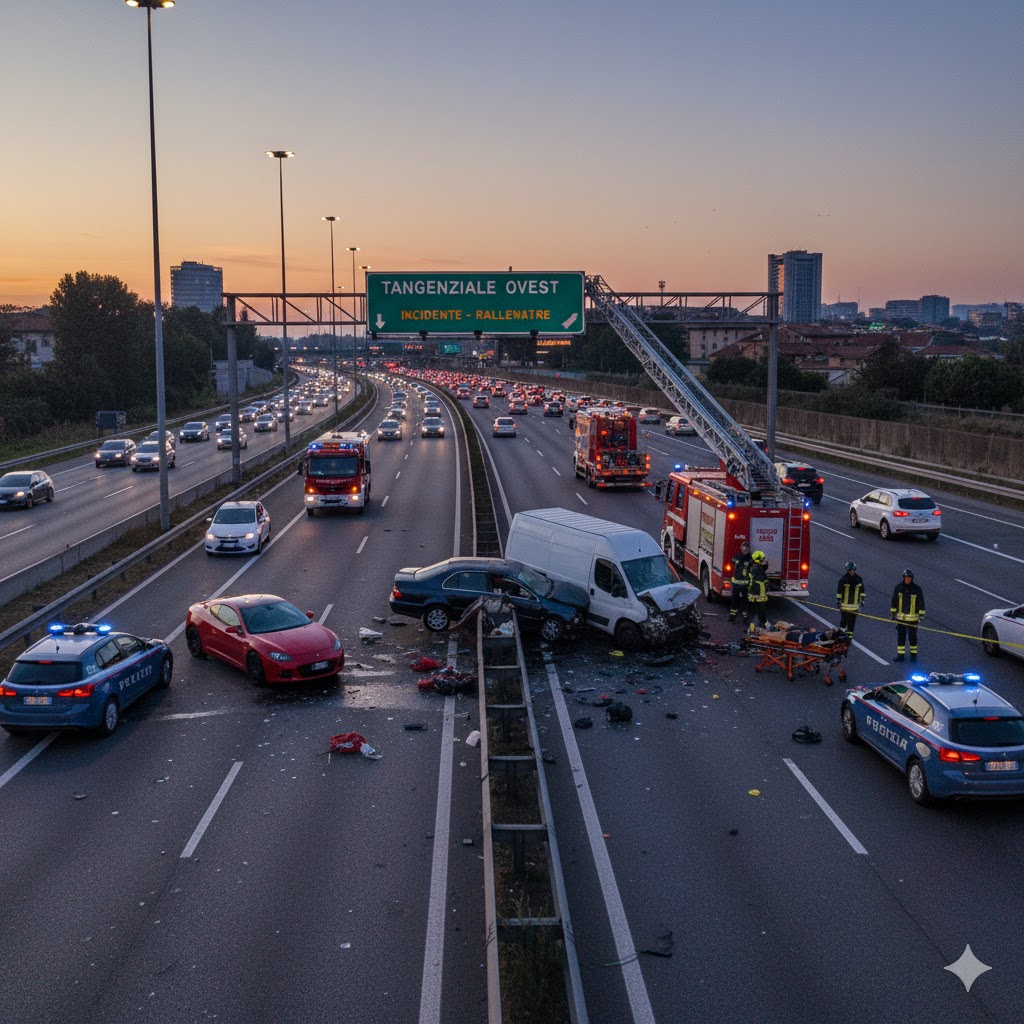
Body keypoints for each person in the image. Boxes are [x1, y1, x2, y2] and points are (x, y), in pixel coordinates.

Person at [890, 568, 925, 662]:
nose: (908, 580)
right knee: (901, 637)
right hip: (901, 617)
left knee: (912, 637)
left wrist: (921, 615)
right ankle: (900, 655)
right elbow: (894, 601)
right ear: (903, 578)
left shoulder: (917, 589)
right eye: (906, 578)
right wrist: (893, 614)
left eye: (909, 578)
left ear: (912, 578)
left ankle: (913, 656)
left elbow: (921, 602)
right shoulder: (898, 588)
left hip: (913, 619)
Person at [835, 561, 865, 635]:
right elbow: (862, 591)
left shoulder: (844, 579)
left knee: (846, 622)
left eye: (852, 570)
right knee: (850, 622)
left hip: (846, 606)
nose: (851, 572)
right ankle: (848, 636)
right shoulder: (859, 579)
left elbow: (839, 592)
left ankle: (843, 636)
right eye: (850, 570)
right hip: (853, 606)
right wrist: (862, 600)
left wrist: (839, 601)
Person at [728, 541, 753, 623]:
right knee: (734, 600)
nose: (744, 551)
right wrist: (735, 560)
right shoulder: (738, 557)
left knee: (744, 601)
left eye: (746, 550)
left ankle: (745, 618)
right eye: (743, 549)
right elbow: (732, 560)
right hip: (736, 584)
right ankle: (732, 616)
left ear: (749, 549)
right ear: (741, 549)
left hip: (745, 585)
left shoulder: (751, 559)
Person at [747, 550, 769, 628]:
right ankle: (761, 627)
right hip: (759, 596)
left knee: (752, 613)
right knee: (761, 614)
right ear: (758, 560)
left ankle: (751, 626)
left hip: (753, 595)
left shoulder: (753, 567)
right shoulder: (758, 570)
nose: (763, 561)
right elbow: (764, 580)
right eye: (762, 559)